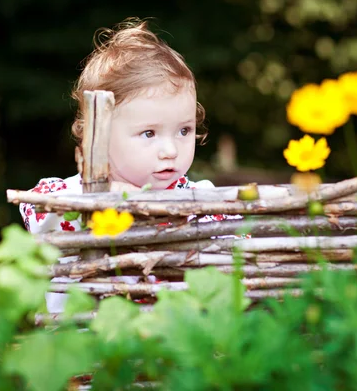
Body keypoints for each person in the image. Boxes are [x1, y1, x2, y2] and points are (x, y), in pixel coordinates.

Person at [19, 18, 240, 313]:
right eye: (149, 133)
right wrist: (103, 195)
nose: (171, 150)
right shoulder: (75, 194)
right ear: (100, 134)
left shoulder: (198, 198)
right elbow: (39, 216)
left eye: (184, 130)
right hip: (89, 344)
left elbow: (239, 245)